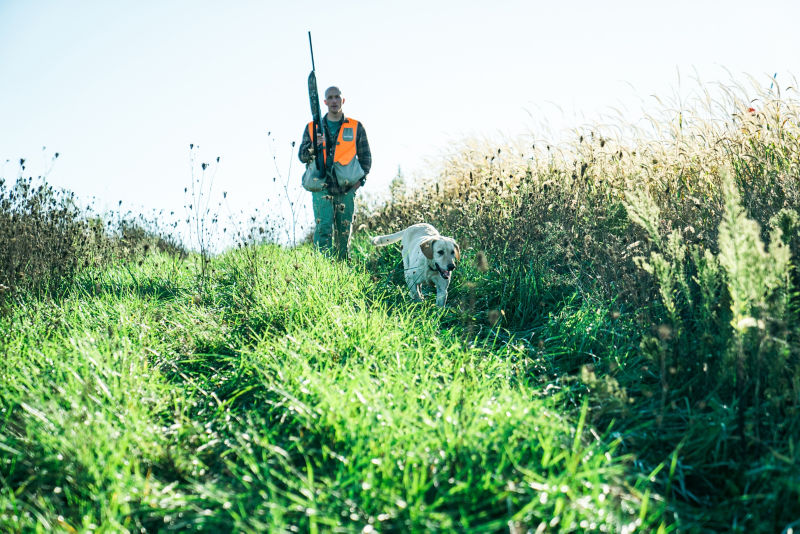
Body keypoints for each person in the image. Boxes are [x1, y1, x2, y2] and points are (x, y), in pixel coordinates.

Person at [298, 86, 371, 260]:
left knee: (344, 231)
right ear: (324, 102)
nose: (334, 101)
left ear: (342, 100)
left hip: (346, 187)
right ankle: (323, 268)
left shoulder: (356, 126)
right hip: (321, 185)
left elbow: (366, 158)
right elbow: (302, 156)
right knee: (323, 228)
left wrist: (358, 183)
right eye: (330, 98)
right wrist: (314, 146)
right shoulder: (312, 127)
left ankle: (341, 267)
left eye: (337, 97)